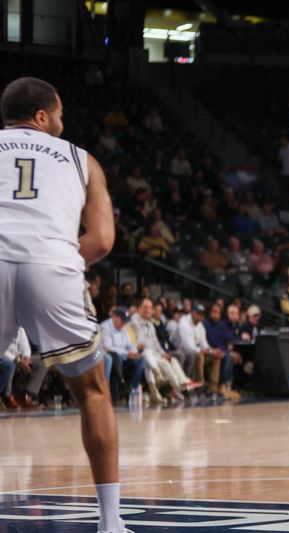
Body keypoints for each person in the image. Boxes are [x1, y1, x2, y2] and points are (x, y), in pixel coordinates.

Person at [0, 77, 127, 532]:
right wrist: (54, 263)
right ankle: (110, 524)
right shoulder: (81, 158)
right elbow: (103, 239)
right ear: (41, 116)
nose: (62, 122)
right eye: (59, 115)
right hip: (53, 263)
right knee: (92, 390)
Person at [100, 307, 145, 405]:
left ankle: (130, 390)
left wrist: (134, 352)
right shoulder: (105, 327)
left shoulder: (123, 328)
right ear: (114, 317)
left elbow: (129, 344)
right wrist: (126, 354)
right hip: (112, 357)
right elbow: (107, 348)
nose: (124, 323)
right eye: (122, 320)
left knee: (140, 360)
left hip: (125, 356)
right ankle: (118, 393)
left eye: (125, 321)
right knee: (116, 358)